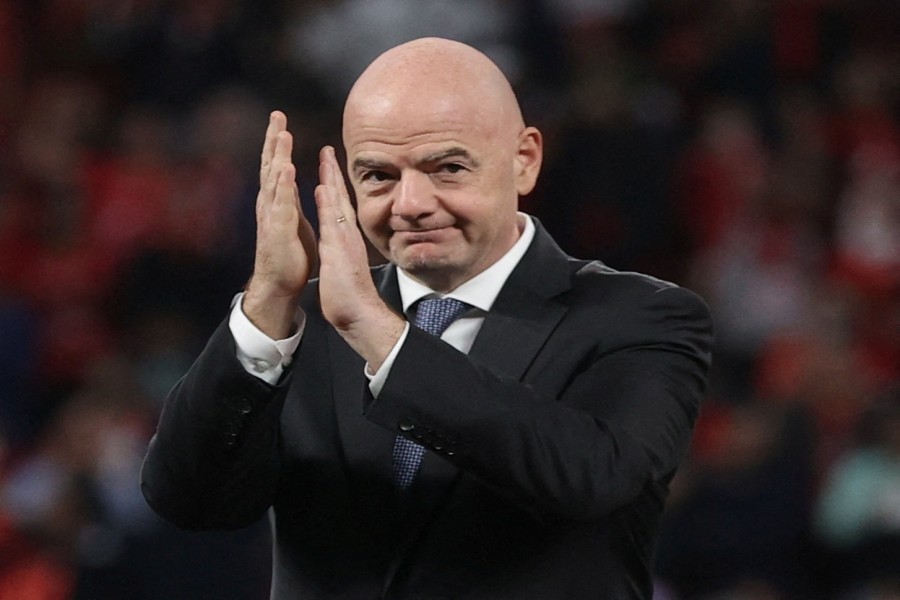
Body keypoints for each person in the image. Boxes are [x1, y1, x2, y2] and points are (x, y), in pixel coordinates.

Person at [141, 37, 713, 599]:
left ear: (524, 160)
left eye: (447, 168)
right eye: (378, 175)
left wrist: (377, 332)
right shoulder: (296, 327)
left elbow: (592, 478)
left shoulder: (645, 318)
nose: (410, 203)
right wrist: (267, 301)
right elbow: (188, 500)